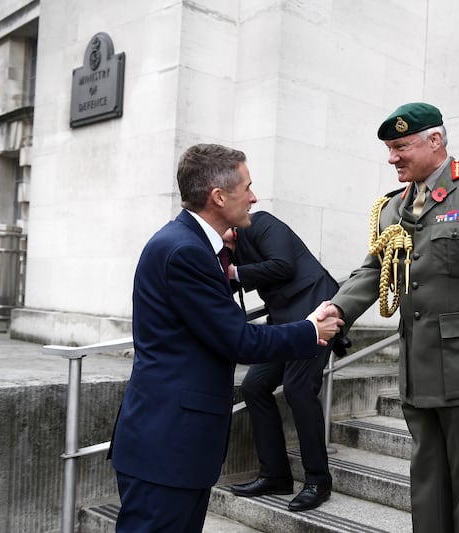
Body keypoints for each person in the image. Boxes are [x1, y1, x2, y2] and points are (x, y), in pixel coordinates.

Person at [327, 102, 459, 532]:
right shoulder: (392, 209)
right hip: (419, 370)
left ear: (435, 141)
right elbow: (374, 269)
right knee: (425, 481)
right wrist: (337, 309)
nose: (392, 158)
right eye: (389, 149)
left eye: (400, 146)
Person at [109, 143, 343, 533]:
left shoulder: (192, 244)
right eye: (247, 187)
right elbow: (239, 341)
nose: (253, 197)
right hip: (169, 446)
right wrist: (311, 331)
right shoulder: (185, 251)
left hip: (178, 446)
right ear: (218, 197)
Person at [223, 211, 340, 511]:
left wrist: (235, 273)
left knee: (298, 387)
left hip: (317, 310)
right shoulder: (228, 254)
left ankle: (318, 480)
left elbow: (282, 265)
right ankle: (275, 475)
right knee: (254, 386)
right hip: (285, 323)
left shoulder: (261, 223)